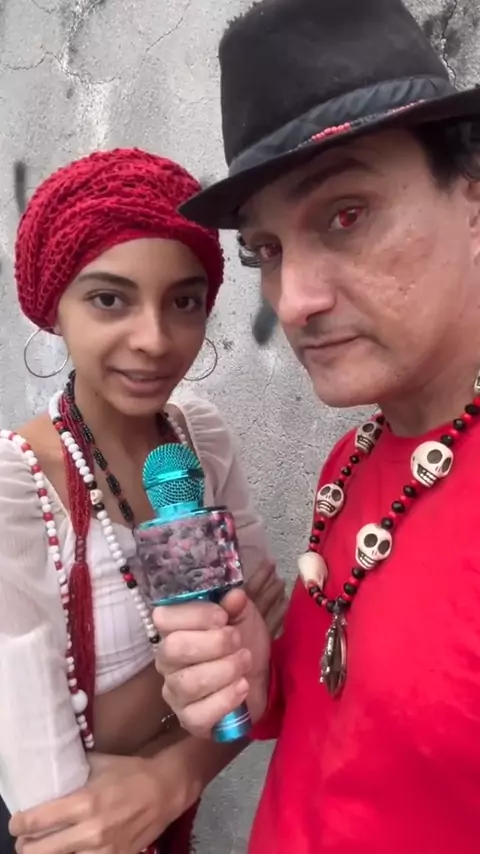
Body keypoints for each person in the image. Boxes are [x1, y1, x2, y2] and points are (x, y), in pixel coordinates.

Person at [152, 0, 480, 852]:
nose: (293, 301)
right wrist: (260, 680)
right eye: (266, 251)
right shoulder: (357, 455)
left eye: (345, 214)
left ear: (472, 198)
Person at [1, 147, 286, 854]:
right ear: (54, 306)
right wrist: (204, 675)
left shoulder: (199, 440)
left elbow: (267, 675)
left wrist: (168, 777)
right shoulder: (18, 490)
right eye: (110, 299)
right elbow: (57, 806)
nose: (155, 341)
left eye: (183, 301)